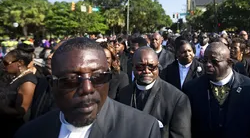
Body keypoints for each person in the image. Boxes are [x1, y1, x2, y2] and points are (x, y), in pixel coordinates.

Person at [14, 37, 161, 138]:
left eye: (98, 77)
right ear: (53, 85)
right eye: (72, 79)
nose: (87, 88)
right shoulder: (30, 133)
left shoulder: (142, 130)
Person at [183, 42, 250, 138]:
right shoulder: (191, 89)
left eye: (214, 61)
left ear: (229, 63)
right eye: (205, 60)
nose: (208, 65)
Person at [117, 46, 191, 138]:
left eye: (151, 67)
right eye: (140, 67)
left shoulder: (177, 99)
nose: (146, 71)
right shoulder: (123, 94)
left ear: (158, 66)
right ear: (132, 66)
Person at [0, 45, 38, 138]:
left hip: (14, 130)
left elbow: (20, 112)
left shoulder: (28, 81)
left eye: (6, 63)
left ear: (20, 63)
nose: (3, 65)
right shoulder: (14, 77)